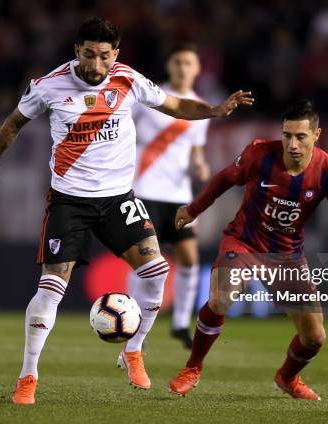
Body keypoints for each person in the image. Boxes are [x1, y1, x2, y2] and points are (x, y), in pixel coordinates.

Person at [0, 17, 253, 404]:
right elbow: (12, 126)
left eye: (105, 56)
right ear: (77, 51)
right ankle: (28, 377)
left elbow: (174, 105)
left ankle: (133, 350)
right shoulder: (48, 85)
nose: (97, 65)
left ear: (115, 54)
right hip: (69, 200)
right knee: (52, 287)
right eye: (89, 55)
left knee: (157, 272)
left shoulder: (128, 79)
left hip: (119, 198)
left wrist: (215, 111)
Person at [168, 100, 328, 400]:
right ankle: (193, 367)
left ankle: (288, 378)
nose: (292, 144)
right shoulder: (260, 154)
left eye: (301, 137)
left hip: (287, 257)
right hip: (243, 242)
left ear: (317, 135)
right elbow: (225, 178)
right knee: (221, 297)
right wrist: (193, 209)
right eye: (287, 135)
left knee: (315, 338)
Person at [130, 43, 210, 349]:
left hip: (178, 195)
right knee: (145, 260)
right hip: (145, 190)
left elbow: (195, 150)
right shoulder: (150, 97)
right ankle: (133, 321)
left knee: (189, 258)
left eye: (188, 62)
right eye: (177, 61)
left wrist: (200, 163)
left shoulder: (199, 107)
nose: (182, 67)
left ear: (197, 69)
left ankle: (179, 323)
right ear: (169, 65)